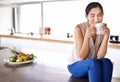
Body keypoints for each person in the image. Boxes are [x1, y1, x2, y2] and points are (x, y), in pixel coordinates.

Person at [67, 2, 113, 82]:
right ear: (86, 16)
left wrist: (106, 36)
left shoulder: (102, 29)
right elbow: (82, 57)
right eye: (92, 15)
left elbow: (100, 56)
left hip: (94, 64)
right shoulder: (79, 28)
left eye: (99, 15)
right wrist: (87, 37)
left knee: (107, 62)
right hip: (76, 65)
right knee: (93, 63)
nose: (96, 19)